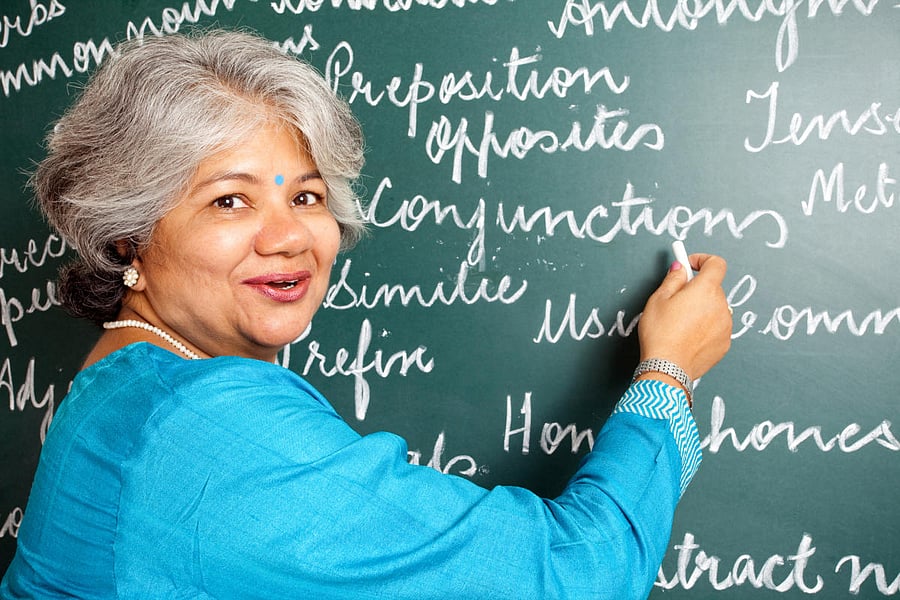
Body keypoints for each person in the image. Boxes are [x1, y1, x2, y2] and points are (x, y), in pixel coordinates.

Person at [0, 30, 732, 599]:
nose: (289, 237)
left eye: (307, 196)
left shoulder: (131, 380)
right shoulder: (208, 427)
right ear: (129, 233)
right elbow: (577, 578)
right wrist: (668, 374)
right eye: (230, 199)